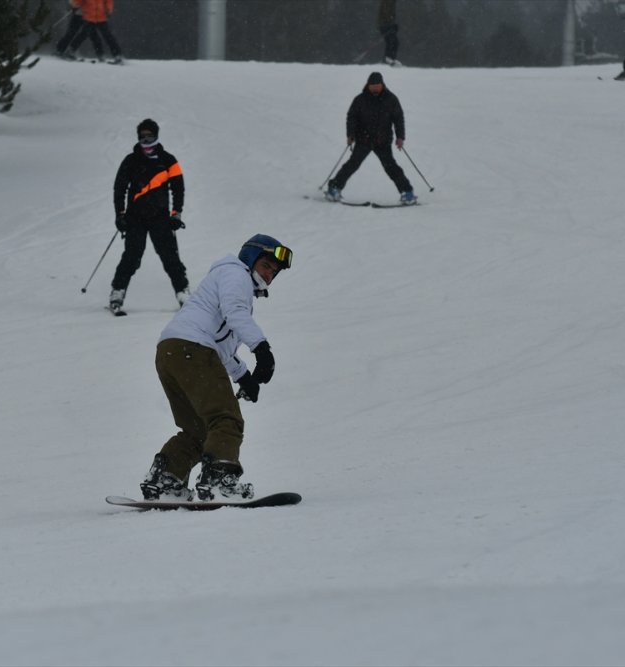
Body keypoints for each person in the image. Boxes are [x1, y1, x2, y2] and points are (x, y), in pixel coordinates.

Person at [139, 234, 293, 502]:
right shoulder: (236, 276)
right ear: (250, 259)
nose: (270, 274)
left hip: (171, 352)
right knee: (226, 419)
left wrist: (244, 376)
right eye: (266, 266)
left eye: (274, 271)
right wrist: (262, 350)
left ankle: (166, 479)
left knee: (199, 429)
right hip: (192, 350)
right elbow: (235, 314)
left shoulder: (226, 281)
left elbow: (221, 348)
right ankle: (220, 481)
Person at [110, 119, 189, 313]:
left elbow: (178, 188)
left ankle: (183, 293)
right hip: (135, 218)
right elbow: (119, 188)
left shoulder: (168, 160)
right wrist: (120, 214)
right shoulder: (130, 161)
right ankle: (117, 292)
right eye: (142, 137)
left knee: (170, 256)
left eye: (150, 136)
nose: (146, 141)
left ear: (156, 136)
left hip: (160, 218)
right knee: (132, 256)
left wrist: (176, 214)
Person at [326, 72, 417, 206]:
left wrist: (400, 137)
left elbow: (398, 119)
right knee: (352, 165)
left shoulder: (391, 99)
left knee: (391, 167)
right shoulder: (360, 99)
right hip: (364, 140)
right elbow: (351, 117)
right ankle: (334, 188)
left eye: (377, 86)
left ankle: (407, 192)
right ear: (368, 86)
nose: (375, 88)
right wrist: (350, 134)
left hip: (383, 141)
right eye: (372, 86)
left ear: (382, 85)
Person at [66, 0, 124, 65]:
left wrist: (109, 10)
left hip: (101, 17)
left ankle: (117, 55)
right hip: (89, 17)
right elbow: (80, 1)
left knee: (108, 36)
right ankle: (71, 51)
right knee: (83, 34)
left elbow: (109, 1)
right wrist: (75, 5)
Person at [378, 0, 401, 67]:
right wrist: (391, 25)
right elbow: (386, 13)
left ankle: (390, 59)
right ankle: (388, 58)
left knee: (394, 42)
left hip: (386, 24)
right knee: (392, 41)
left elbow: (390, 15)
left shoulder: (392, 2)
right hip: (385, 25)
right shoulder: (388, 1)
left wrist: (393, 25)